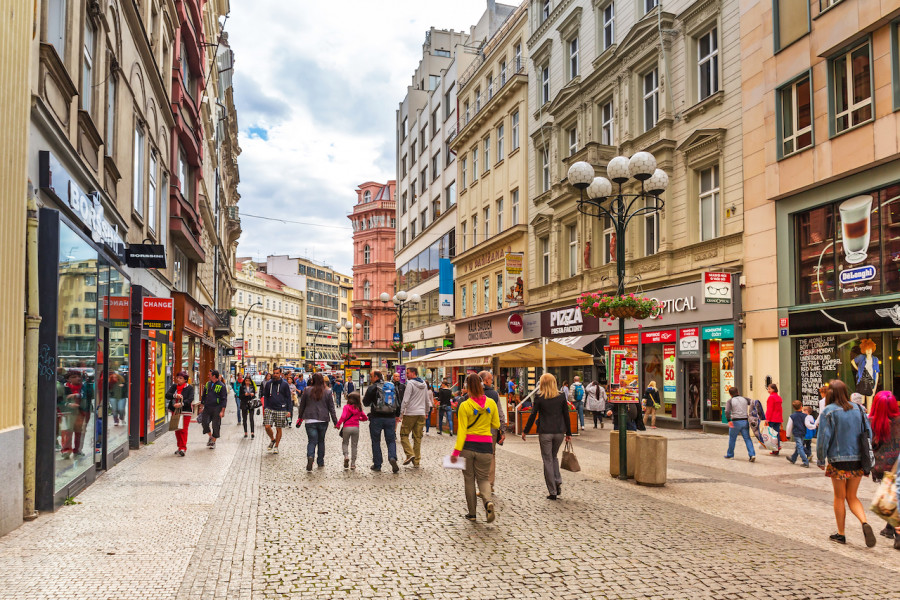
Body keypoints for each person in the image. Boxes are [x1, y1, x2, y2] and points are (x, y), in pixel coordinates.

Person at [817, 379, 877, 547]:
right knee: (852, 496)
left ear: (831, 393)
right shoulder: (859, 409)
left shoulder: (828, 411)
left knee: (839, 497)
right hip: (858, 460)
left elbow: (823, 439)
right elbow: (868, 434)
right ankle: (864, 522)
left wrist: (821, 459)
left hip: (838, 461)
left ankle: (841, 534)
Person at [450, 373, 499, 522]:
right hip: (485, 446)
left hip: (468, 447)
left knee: (469, 479)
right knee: (483, 479)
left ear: (466, 387)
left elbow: (462, 431)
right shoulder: (491, 403)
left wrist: (456, 452)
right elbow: (496, 424)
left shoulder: (464, 405)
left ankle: (472, 513)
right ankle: (487, 502)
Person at [522, 373, 572, 500]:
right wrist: (569, 433)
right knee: (554, 456)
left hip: (545, 432)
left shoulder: (539, 397)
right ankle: (557, 479)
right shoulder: (561, 396)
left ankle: (552, 490)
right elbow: (566, 414)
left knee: (547, 460)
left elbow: (533, 415)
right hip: (559, 432)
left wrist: (525, 431)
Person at [869, 390, 900, 544]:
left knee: (892, 493)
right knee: (895, 494)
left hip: (882, 465)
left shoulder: (871, 421)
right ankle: (895, 531)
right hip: (897, 463)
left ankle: (889, 528)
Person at [297, 373, 338, 471]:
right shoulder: (328, 392)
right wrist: (335, 421)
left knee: (311, 441)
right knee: (321, 441)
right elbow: (331, 408)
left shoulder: (307, 390)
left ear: (312, 380)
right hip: (323, 419)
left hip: (310, 419)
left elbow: (302, 405)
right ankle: (320, 461)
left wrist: (300, 418)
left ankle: (310, 456)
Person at [362, 370, 400, 473]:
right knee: (391, 440)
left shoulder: (373, 388)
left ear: (376, 377)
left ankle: (377, 465)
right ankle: (392, 457)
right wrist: (397, 415)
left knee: (376, 441)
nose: (370, 378)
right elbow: (398, 402)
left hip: (376, 418)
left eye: (371, 376)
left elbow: (365, 403)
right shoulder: (391, 386)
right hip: (390, 418)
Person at [479, 371, 507, 493]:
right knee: (491, 457)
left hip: (477, 431)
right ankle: (489, 485)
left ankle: (482, 486)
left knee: (479, 458)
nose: (492, 382)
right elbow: (500, 413)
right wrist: (503, 430)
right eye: (491, 380)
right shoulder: (494, 394)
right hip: (492, 430)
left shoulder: (473, 394)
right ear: (486, 381)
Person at [399, 367, 430, 467]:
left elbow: (405, 399)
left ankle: (410, 454)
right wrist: (427, 411)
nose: (406, 375)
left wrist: (401, 412)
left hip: (410, 413)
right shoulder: (424, 384)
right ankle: (416, 462)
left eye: (407, 373)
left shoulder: (410, 383)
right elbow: (427, 399)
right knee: (417, 438)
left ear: (413, 373)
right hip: (421, 413)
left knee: (404, 435)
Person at [262, 368, 293, 454]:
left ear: (280, 374)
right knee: (267, 426)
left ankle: (276, 446)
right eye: (274, 373)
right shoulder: (269, 384)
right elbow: (266, 396)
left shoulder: (285, 384)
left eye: (277, 373)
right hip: (270, 408)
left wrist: (288, 410)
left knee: (279, 428)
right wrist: (266, 406)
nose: (275, 375)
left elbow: (288, 398)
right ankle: (272, 439)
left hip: (281, 409)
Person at [336, 391, 367, 470]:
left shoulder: (346, 407)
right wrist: (359, 418)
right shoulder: (359, 408)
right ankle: (353, 464)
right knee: (354, 445)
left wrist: (338, 424)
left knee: (345, 443)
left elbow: (343, 417)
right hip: (356, 428)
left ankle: (346, 456)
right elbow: (365, 418)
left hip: (347, 427)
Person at [165, 371, 194, 456]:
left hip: (185, 411)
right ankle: (179, 447)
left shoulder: (190, 388)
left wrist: (181, 404)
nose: (178, 379)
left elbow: (190, 399)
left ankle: (183, 448)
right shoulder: (174, 386)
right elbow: (167, 395)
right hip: (175, 411)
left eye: (181, 378)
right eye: (178, 377)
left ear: (185, 379)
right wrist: (175, 396)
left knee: (183, 429)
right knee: (177, 429)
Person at [724, 387, 756, 462]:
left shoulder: (730, 401)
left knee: (732, 438)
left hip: (735, 422)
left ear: (730, 394)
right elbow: (753, 402)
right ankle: (752, 454)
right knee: (747, 438)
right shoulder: (745, 399)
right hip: (745, 421)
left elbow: (727, 411)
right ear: (738, 392)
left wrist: (729, 420)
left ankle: (730, 455)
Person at [199, 370, 227, 449]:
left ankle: (213, 441)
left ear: (214, 376)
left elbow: (224, 399)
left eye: (209, 375)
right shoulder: (208, 384)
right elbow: (204, 396)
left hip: (217, 408)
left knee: (216, 425)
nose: (208, 376)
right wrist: (201, 406)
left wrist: (222, 411)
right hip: (207, 407)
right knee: (204, 423)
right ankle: (210, 437)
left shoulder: (222, 386)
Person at [784, 400, 810, 467]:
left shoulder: (792, 416)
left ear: (793, 407)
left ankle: (805, 461)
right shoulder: (805, 416)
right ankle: (793, 458)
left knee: (800, 447)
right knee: (799, 446)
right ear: (801, 406)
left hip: (796, 433)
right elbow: (807, 424)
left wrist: (788, 435)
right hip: (803, 433)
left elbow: (789, 426)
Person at [762, 383, 784, 455]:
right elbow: (780, 409)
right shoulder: (778, 397)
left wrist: (767, 418)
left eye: (769, 389)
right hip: (778, 418)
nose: (768, 390)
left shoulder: (771, 397)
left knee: (771, 434)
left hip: (772, 418)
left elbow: (770, 409)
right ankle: (777, 447)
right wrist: (781, 419)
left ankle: (775, 448)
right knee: (776, 433)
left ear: (773, 389)